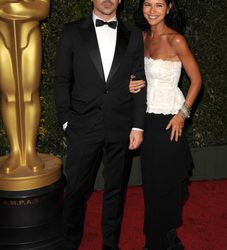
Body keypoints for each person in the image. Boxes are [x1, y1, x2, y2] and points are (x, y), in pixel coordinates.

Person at [54, 0, 146, 249]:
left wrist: (137, 126)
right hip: (83, 126)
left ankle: (110, 245)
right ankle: (69, 243)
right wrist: (66, 121)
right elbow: (61, 79)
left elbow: (139, 81)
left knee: (115, 191)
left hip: (120, 126)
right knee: (75, 191)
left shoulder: (134, 34)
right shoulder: (72, 31)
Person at [130, 0, 202, 249]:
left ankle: (165, 236)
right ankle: (156, 238)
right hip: (146, 119)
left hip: (170, 120)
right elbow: (138, 75)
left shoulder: (176, 40)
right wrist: (133, 84)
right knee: (151, 183)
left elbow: (196, 80)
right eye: (147, 4)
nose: (152, 10)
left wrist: (183, 114)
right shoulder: (141, 37)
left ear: (169, 8)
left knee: (169, 182)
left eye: (158, 5)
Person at [0, 0, 50, 173]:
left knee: (29, 94)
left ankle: (29, 150)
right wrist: (18, 8)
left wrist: (8, 7)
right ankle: (15, 151)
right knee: (9, 95)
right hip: (2, 35)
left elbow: (42, 8)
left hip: (29, 35)